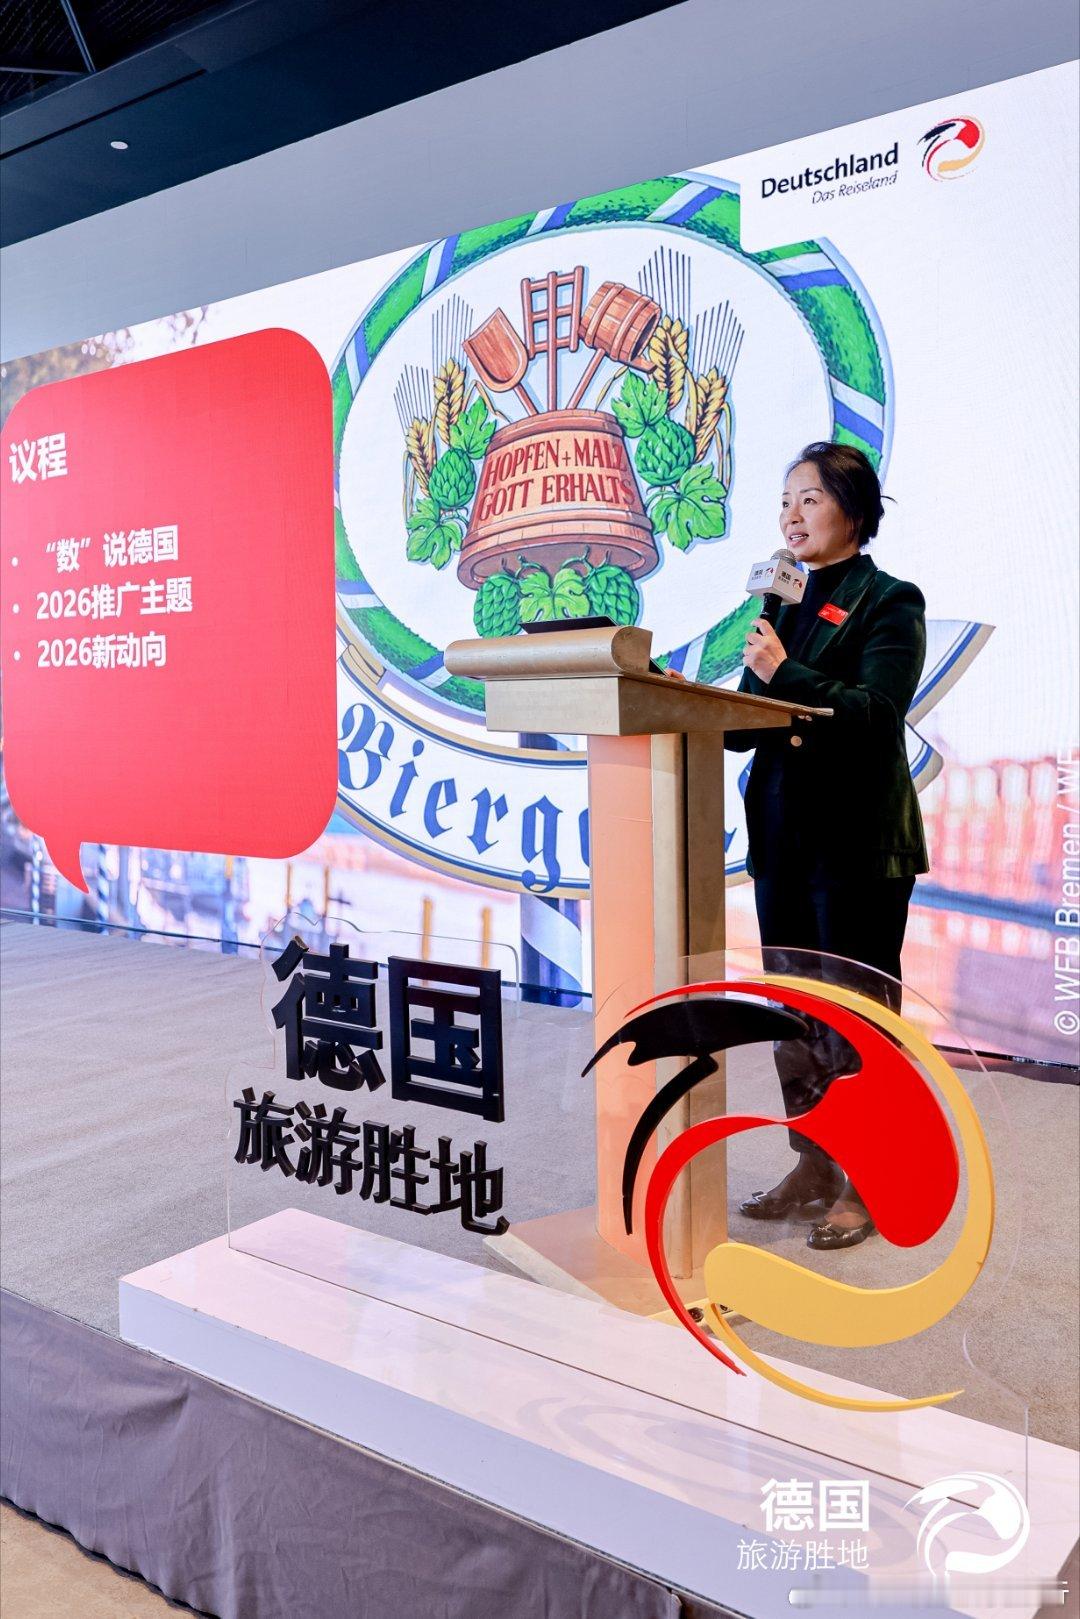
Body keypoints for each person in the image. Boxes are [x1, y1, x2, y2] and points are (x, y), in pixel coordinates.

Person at [727, 441, 928, 1250]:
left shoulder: (891, 599)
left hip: (857, 844)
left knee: (858, 1017)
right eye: (785, 501)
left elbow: (877, 713)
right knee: (795, 1014)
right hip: (783, 840)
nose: (791, 515)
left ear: (854, 508)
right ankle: (813, 1164)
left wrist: (786, 672)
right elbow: (745, 728)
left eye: (808, 498)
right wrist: (743, 674)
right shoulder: (781, 604)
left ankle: (869, 1179)